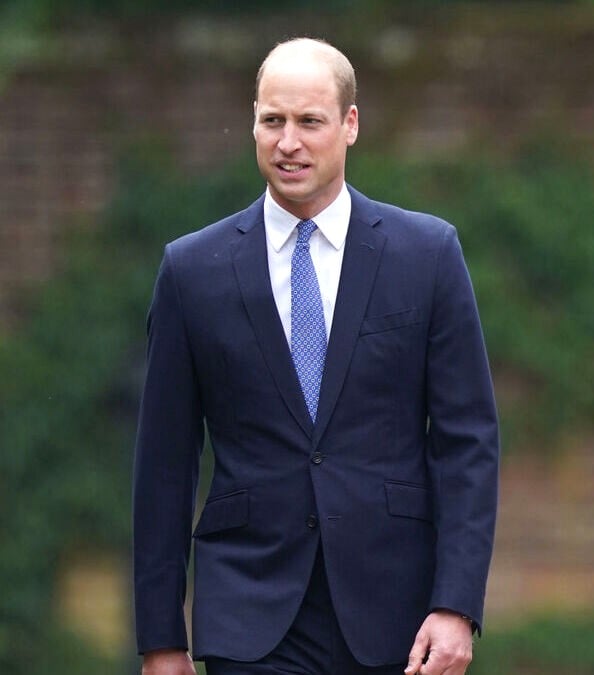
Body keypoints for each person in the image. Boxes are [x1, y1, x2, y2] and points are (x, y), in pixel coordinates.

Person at [132, 38, 500, 675]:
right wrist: (161, 639)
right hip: (247, 612)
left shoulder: (427, 254)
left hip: (398, 614)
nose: (288, 142)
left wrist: (457, 603)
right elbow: (164, 463)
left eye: (309, 121)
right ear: (253, 122)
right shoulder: (192, 270)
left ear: (350, 125)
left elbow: (467, 440)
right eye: (272, 120)